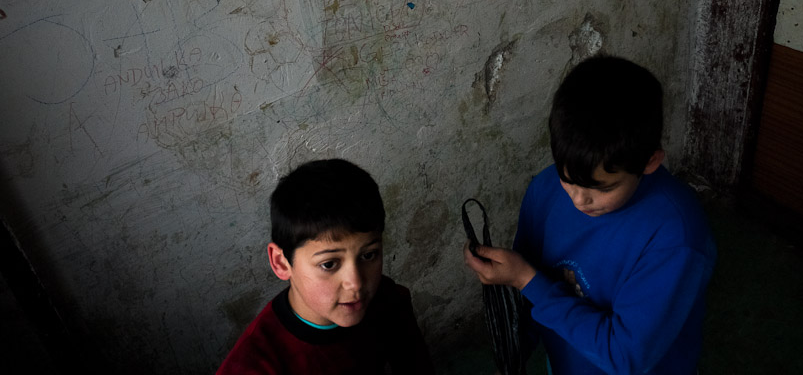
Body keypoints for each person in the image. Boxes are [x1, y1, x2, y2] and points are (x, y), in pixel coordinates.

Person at [464, 55, 717, 374]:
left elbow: (624, 357)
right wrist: (517, 347)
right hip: (567, 361)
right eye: (568, 179)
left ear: (650, 162)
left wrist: (526, 280)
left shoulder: (676, 237)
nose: (580, 199)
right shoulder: (545, 188)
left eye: (603, 188)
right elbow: (529, 283)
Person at [218, 158, 434, 374]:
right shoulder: (254, 366)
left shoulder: (387, 301)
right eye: (329, 264)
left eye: (369, 255)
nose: (355, 284)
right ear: (281, 262)